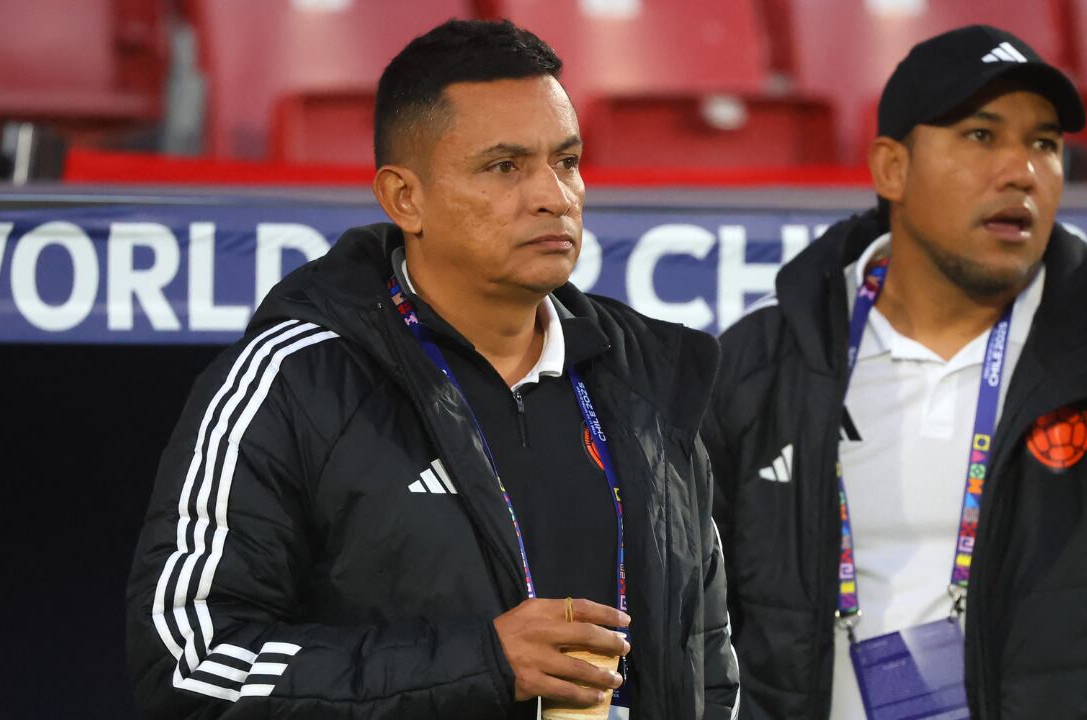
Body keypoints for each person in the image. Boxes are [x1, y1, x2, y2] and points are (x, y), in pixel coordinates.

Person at [127, 19, 739, 719]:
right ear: (404, 199)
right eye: (504, 166)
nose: (554, 196)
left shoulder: (649, 382)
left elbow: (708, 666)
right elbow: (188, 669)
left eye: (566, 161)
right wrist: (481, 664)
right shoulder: (294, 382)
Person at [704, 24, 1087, 720]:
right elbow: (692, 613)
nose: (1022, 171)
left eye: (1044, 143)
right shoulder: (759, 363)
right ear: (892, 168)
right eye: (982, 136)